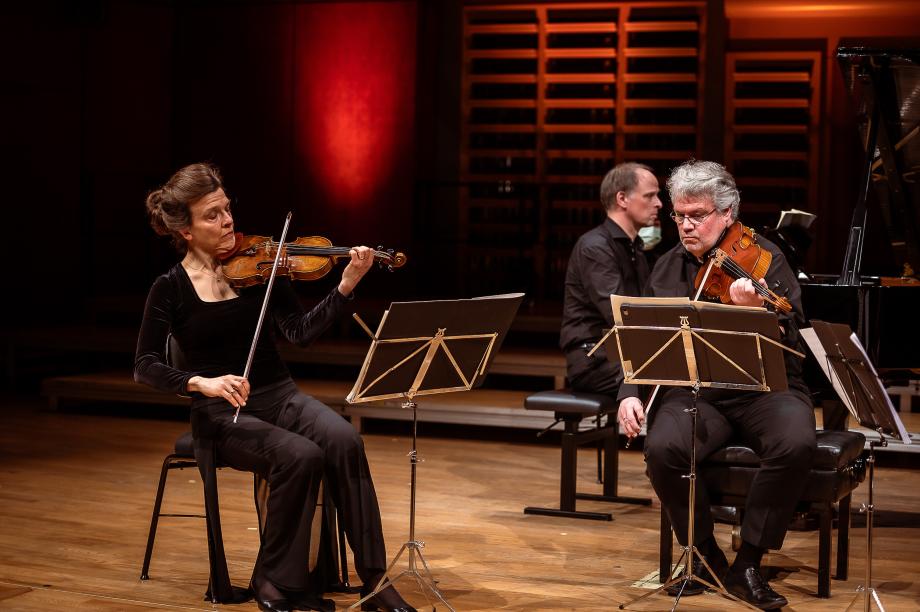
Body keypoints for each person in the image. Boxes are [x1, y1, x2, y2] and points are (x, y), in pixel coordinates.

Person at [134, 163, 415, 612]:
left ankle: (375, 581)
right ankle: (275, 580)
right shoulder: (169, 288)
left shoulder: (262, 267)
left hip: (279, 394)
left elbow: (299, 331)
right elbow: (145, 365)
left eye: (227, 209)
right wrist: (201, 382)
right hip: (223, 414)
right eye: (212, 215)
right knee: (300, 455)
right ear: (185, 230)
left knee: (344, 439)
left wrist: (345, 285)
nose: (227, 221)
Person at [617, 160, 815, 610]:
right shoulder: (667, 268)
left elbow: (795, 335)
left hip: (769, 389)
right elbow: (644, 343)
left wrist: (756, 313)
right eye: (678, 215)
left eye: (697, 215)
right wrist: (629, 393)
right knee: (662, 448)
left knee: (796, 442)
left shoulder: (766, 259)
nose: (685, 225)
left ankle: (748, 562)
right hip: (700, 391)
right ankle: (704, 554)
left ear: (727, 214)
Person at [560, 162, 662, 395]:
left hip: (623, 355)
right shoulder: (595, 247)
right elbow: (622, 313)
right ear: (622, 199)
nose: (659, 203)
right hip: (594, 360)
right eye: (650, 196)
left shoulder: (635, 246)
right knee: (672, 382)